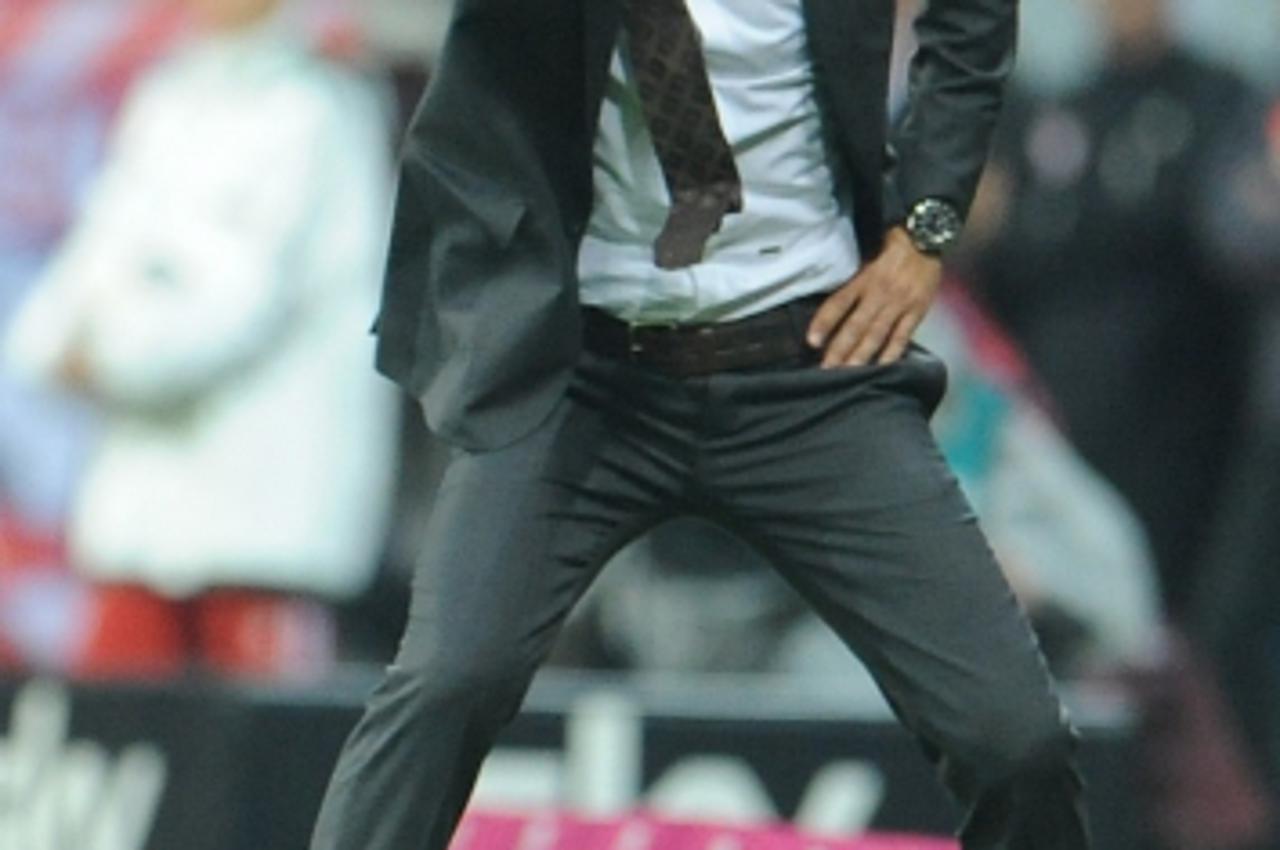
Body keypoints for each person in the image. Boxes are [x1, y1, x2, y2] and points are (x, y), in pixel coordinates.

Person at [310, 0, 1090, 848]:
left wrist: (925, 229)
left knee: (1015, 738)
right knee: (442, 687)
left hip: (812, 370)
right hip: (587, 375)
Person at [3, 0, 399, 680]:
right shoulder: (168, 95)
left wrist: (100, 355)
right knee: (114, 734)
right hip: (145, 517)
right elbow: (95, 253)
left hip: (265, 518)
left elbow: (235, 304)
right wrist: (50, 344)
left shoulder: (316, 104)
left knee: (269, 762)